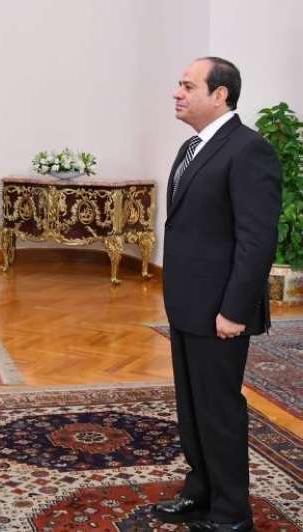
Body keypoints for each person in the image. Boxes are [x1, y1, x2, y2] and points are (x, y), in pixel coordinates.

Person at [151, 57, 281, 532]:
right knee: (192, 408)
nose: (177, 93)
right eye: (179, 84)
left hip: (221, 311)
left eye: (188, 86)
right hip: (187, 305)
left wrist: (234, 310)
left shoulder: (249, 150)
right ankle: (200, 491)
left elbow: (256, 240)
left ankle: (231, 515)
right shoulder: (192, 146)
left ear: (220, 94)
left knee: (219, 410)